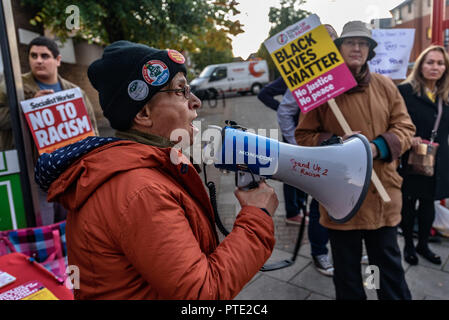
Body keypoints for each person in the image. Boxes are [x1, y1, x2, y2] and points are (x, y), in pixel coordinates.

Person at [34, 41, 279, 299]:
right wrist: (256, 216)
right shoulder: (141, 191)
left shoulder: (142, 168)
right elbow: (202, 293)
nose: (195, 101)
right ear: (143, 113)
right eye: (181, 91)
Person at [295, 21, 415, 300]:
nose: (357, 48)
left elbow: (406, 128)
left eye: (363, 43)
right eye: (351, 42)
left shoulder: (386, 85)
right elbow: (303, 136)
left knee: (389, 273)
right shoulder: (321, 90)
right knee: (348, 277)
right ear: (339, 48)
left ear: (370, 51)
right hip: (341, 200)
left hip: (382, 195)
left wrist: (375, 148)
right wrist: (338, 145)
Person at [0, 36, 99, 225]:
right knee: (43, 226)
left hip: (70, 173)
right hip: (33, 173)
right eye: (33, 55)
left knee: (72, 224)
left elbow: (92, 131)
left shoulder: (75, 92)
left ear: (58, 60)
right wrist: (28, 108)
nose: (38, 60)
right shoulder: (12, 87)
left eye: (44, 56)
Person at [397, 45, 449, 266]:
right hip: (412, 158)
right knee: (408, 204)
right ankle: (408, 245)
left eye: (440, 63)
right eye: (430, 62)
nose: (435, 67)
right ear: (420, 65)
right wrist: (409, 138)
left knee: (429, 204)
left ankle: (423, 245)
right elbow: (396, 122)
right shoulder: (405, 91)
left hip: (437, 160)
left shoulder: (445, 95)